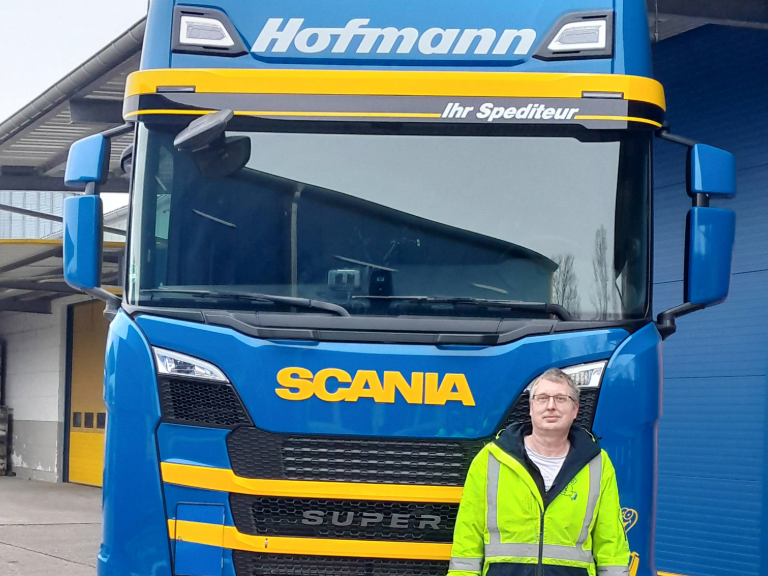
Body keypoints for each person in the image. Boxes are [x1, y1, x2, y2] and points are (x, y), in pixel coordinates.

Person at [448, 368, 630, 576]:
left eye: (561, 398)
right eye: (542, 398)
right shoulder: (490, 460)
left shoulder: (597, 464)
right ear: (531, 407)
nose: (551, 406)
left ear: (575, 409)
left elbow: (611, 547)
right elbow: (467, 544)